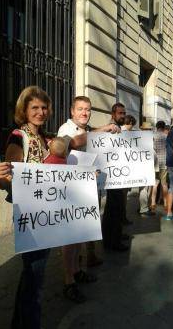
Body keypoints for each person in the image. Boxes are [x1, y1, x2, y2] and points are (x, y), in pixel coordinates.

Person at [0, 86, 52, 329]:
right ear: (24, 110)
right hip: (30, 213)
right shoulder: (19, 136)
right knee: (34, 276)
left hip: (45, 212)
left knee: (34, 276)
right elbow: (7, 177)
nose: (40, 112)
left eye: (44, 107)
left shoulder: (45, 138)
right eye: (34, 107)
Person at [58, 96, 120, 302]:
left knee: (78, 238)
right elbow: (72, 145)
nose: (84, 113)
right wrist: (103, 129)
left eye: (88, 109)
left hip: (87, 190)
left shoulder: (88, 130)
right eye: (80, 109)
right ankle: (68, 282)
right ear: (71, 111)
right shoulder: (66, 130)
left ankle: (76, 271)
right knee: (68, 239)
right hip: (70, 193)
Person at [102, 103, 130, 251]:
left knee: (115, 208)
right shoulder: (110, 129)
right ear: (113, 114)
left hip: (119, 175)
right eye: (120, 113)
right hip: (113, 177)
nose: (123, 116)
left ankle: (114, 237)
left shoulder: (120, 129)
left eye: (124, 113)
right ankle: (112, 241)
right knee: (114, 209)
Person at [138, 122, 156, 217]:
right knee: (145, 188)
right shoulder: (146, 138)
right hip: (145, 166)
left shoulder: (140, 137)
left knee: (144, 188)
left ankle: (143, 207)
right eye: (149, 129)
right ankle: (143, 209)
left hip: (144, 165)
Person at [151, 121, 168, 213]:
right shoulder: (166, 136)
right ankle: (165, 203)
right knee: (164, 184)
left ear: (156, 126)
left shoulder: (153, 136)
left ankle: (153, 203)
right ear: (164, 127)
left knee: (155, 183)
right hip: (164, 163)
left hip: (155, 162)